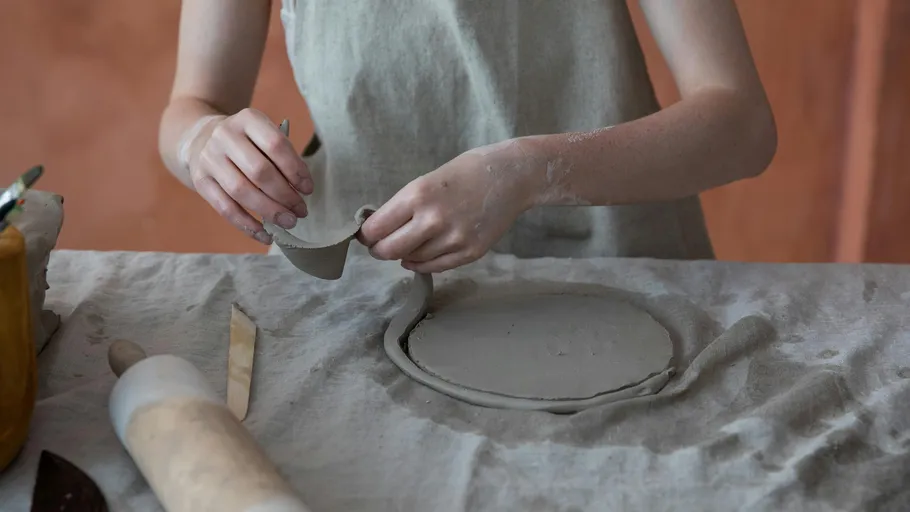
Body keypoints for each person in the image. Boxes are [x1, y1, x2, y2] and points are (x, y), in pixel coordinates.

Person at [160, 0, 776, 274]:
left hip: (615, 273)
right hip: (363, 283)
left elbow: (742, 124)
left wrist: (530, 170)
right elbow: (192, 106)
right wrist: (203, 142)